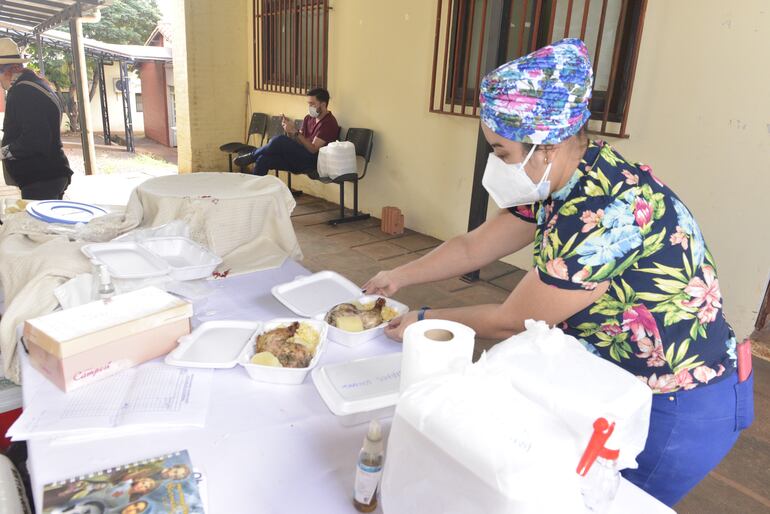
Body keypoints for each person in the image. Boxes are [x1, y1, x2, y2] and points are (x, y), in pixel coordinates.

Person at [363, 38, 754, 507]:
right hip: (616, 383)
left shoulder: (607, 208)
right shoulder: (563, 177)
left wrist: (426, 321)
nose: (497, 164)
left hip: (676, 402)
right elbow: (474, 245)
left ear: (545, 146)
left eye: (502, 152)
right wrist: (401, 276)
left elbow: (515, 318)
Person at [0, 38, 73, 200]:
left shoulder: (23, 92)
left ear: (9, 68)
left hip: (41, 178)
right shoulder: (36, 85)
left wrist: (4, 152)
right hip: (48, 175)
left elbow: (34, 139)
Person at [233, 87, 340, 177]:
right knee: (263, 159)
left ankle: (252, 156)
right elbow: (299, 141)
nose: (310, 107)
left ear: (323, 104)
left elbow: (313, 150)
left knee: (280, 140)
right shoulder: (309, 118)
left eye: (313, 104)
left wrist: (295, 132)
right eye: (308, 104)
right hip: (297, 157)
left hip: (312, 162)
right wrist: (290, 130)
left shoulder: (329, 123)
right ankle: (254, 192)